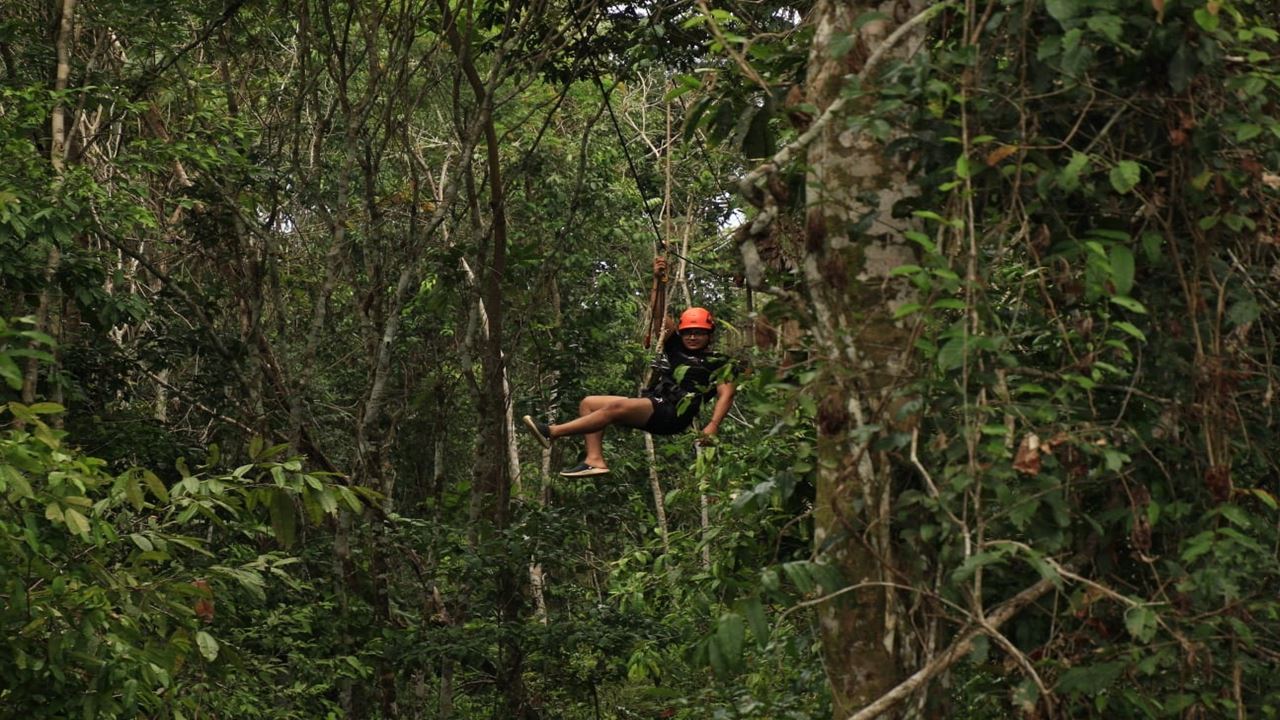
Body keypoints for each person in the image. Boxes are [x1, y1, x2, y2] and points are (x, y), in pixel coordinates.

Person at [522, 306, 738, 477]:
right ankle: (594, 461)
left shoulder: (720, 362)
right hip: (657, 401)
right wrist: (658, 281)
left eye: (699, 333)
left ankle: (552, 432)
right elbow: (659, 315)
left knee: (616, 407)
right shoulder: (675, 347)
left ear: (709, 335)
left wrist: (713, 425)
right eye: (688, 333)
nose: (692, 337)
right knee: (589, 403)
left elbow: (726, 394)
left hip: (674, 414)